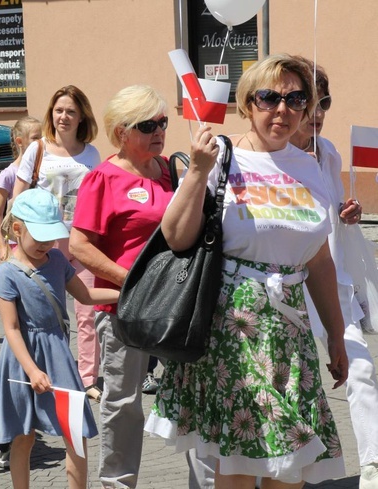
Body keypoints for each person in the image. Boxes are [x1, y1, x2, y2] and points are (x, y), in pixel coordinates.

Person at [144, 54, 349, 488]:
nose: (282, 109)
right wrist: (198, 171)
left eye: (296, 98)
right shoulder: (221, 155)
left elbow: (318, 260)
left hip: (289, 336)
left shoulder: (309, 166)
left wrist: (335, 334)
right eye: (269, 97)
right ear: (247, 103)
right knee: (239, 462)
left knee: (289, 464)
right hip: (232, 329)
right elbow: (177, 237)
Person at [0, 188, 117, 489]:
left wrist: (126, 292)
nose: (47, 244)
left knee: (74, 429)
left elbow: (87, 295)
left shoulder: (56, 260)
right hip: (23, 361)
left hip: (57, 355)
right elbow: (11, 329)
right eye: (39, 237)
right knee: (23, 435)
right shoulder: (7, 274)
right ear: (17, 228)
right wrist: (31, 370)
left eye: (51, 237)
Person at [69, 85, 174, 488]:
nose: (158, 131)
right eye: (147, 125)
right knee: (124, 404)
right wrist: (129, 279)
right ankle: (117, 483)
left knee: (187, 398)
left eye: (162, 122)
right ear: (121, 133)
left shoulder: (167, 170)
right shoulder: (103, 177)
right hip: (123, 310)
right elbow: (79, 245)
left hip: (172, 305)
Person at [290, 57, 378, 489]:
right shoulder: (277, 156)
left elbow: (332, 210)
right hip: (291, 287)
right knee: (299, 379)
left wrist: (348, 212)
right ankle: (299, 471)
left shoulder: (329, 153)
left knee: (360, 370)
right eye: (310, 102)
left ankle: (373, 466)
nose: (319, 113)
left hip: (335, 281)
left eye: (324, 102)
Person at [11, 85, 102, 401]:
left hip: (81, 242)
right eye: (59, 110)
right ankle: (43, 370)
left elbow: (97, 200)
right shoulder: (37, 150)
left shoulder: (91, 154)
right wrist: (14, 237)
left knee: (86, 314)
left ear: (81, 118)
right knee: (41, 313)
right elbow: (18, 196)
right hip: (41, 245)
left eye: (71, 112)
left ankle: (88, 378)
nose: (63, 117)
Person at [0, 116, 41, 262]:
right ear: (20, 141)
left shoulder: (41, 168)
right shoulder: (8, 174)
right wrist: (2, 245)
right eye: (35, 138)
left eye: (42, 138)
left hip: (39, 239)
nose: (40, 142)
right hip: (17, 241)